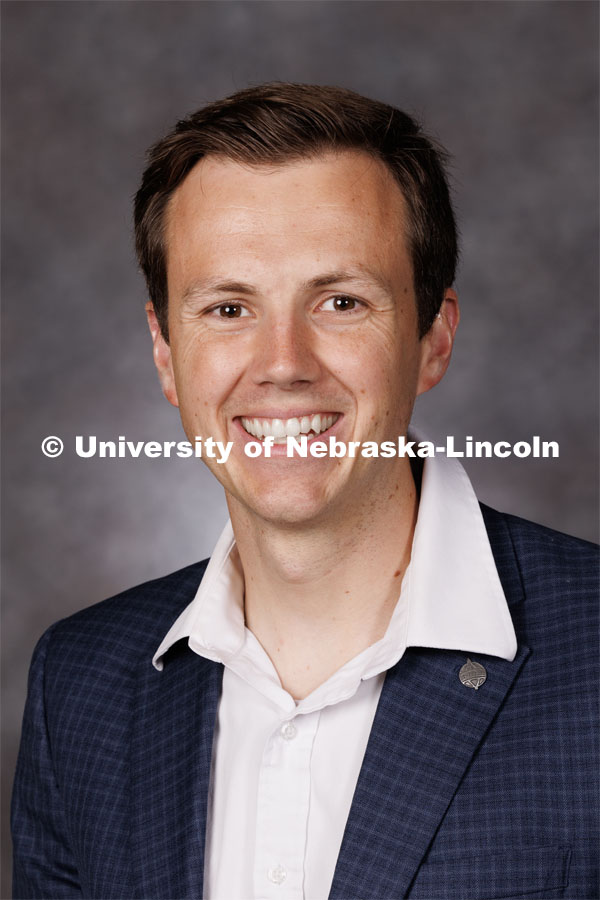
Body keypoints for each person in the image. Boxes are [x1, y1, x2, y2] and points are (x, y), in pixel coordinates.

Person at [12, 83, 598, 900]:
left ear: (434, 337)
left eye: (342, 301)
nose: (283, 361)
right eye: (227, 308)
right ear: (164, 352)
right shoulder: (79, 686)